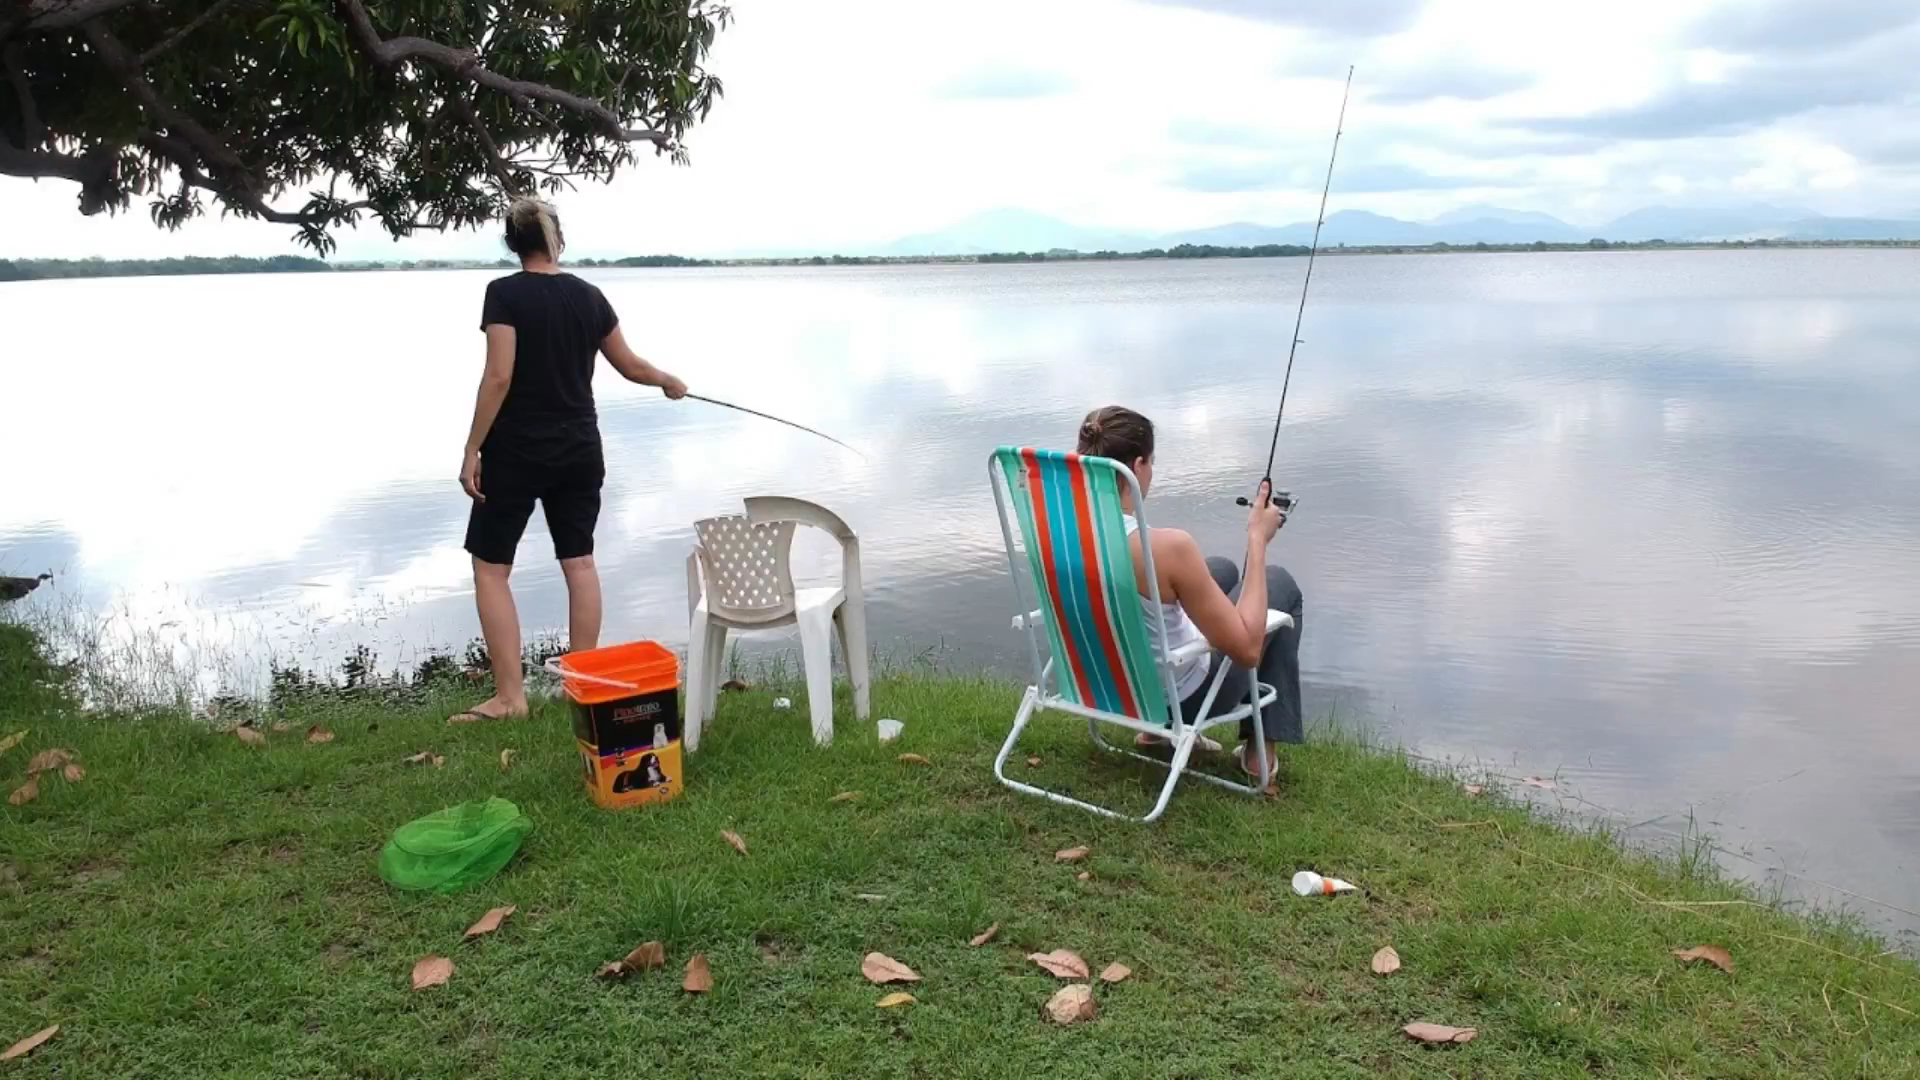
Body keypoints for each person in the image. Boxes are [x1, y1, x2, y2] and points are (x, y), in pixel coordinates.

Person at [452, 197, 688, 723]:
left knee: (491, 570)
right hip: (580, 448)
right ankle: (579, 683)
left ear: (514, 244)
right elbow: (628, 365)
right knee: (579, 562)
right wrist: (668, 380)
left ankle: (511, 699)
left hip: (515, 450)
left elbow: (499, 376)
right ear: (557, 238)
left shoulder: (504, 294)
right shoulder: (588, 296)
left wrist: (472, 448)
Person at [1075, 405, 1305, 778]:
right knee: (1279, 584)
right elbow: (1247, 651)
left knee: (1221, 570)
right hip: (1177, 700)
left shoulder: (1055, 534)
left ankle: (1155, 739)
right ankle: (1258, 751)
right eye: (1151, 462)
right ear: (1137, 466)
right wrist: (1257, 539)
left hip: (1104, 686)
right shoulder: (1167, 549)